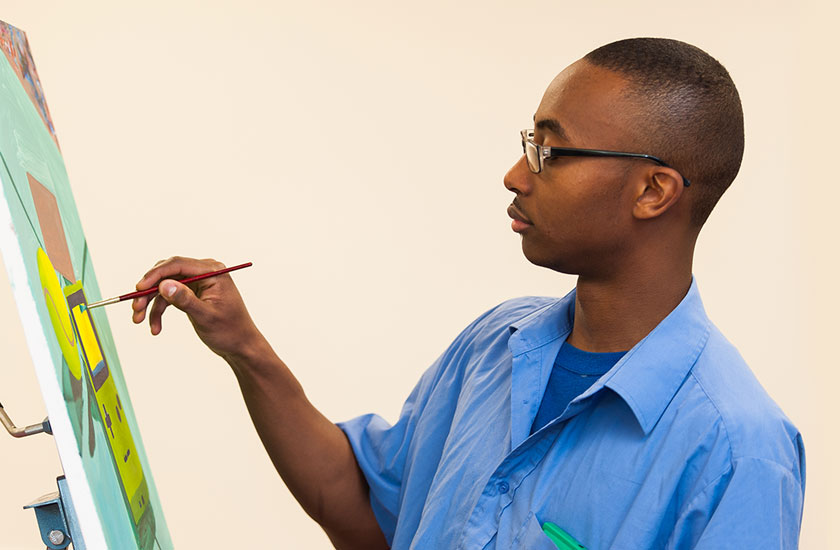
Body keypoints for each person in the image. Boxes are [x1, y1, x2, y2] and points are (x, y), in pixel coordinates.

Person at [130, 38, 805, 549]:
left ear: (653, 191)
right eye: (526, 141)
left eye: (550, 151)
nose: (516, 174)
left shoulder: (737, 449)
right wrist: (244, 346)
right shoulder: (498, 344)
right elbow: (365, 512)